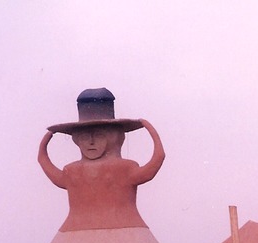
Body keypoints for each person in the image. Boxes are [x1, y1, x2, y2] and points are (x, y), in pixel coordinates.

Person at [37, 88, 165, 232]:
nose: (91, 142)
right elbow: (43, 161)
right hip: (78, 233)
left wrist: (151, 131)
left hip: (120, 231)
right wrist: (148, 128)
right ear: (77, 140)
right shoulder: (71, 171)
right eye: (85, 137)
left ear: (114, 137)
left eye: (99, 135)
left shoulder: (124, 168)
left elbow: (156, 160)